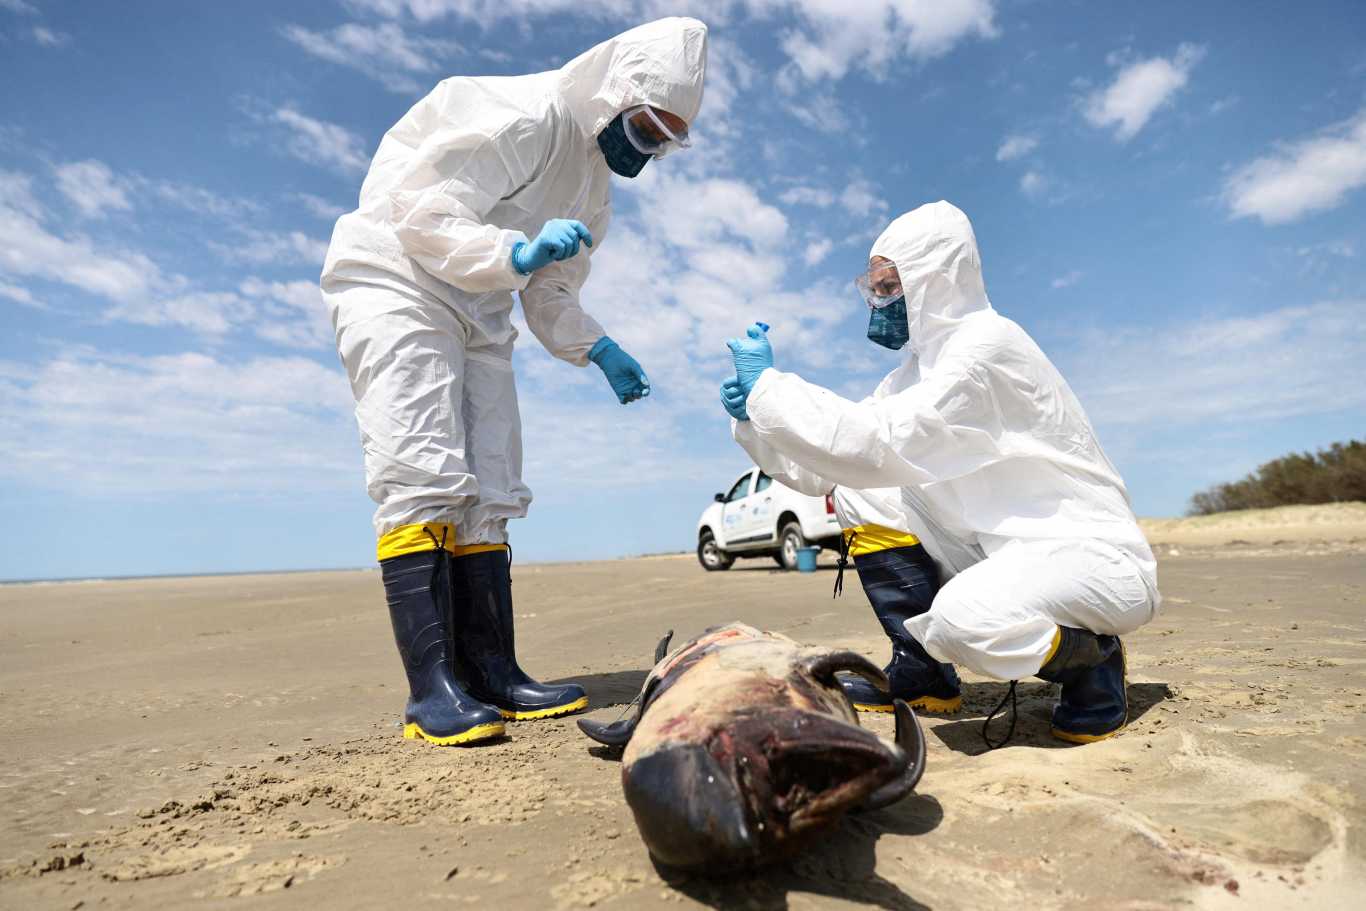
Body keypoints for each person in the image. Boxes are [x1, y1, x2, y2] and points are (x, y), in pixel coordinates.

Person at [321, 18, 709, 746]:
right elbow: (420, 209)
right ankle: (431, 691)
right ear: (614, 95)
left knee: (492, 482)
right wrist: (515, 251)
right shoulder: (524, 115)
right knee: (422, 470)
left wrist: (597, 346)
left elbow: (552, 287)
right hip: (398, 281)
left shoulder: (592, 188)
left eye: (667, 142)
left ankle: (493, 671)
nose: (649, 150)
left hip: (482, 306)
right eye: (646, 129)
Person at [719, 201, 1160, 744]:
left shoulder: (986, 348)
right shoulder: (912, 374)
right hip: (997, 552)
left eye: (889, 287)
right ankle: (922, 670)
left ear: (934, 279)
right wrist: (753, 423)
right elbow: (832, 470)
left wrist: (769, 388)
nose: (878, 301)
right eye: (873, 288)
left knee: (963, 621)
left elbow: (876, 440)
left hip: (1087, 560)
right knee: (860, 493)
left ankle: (1092, 661)